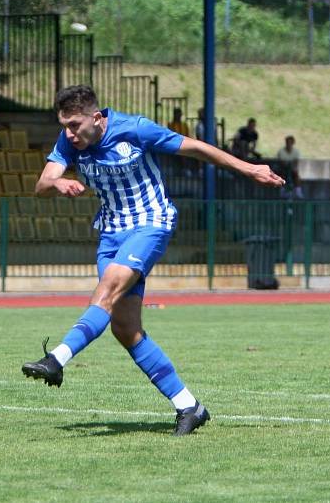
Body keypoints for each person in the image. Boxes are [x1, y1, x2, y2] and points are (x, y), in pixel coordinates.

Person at [21, 85, 284, 436]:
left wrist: (247, 168)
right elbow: (42, 182)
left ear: (96, 118)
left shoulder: (135, 128)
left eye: (74, 124)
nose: (69, 133)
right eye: (64, 125)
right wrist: (58, 184)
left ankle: (56, 359)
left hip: (150, 222)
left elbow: (195, 148)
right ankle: (189, 406)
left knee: (108, 291)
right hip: (111, 232)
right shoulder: (70, 141)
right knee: (125, 329)